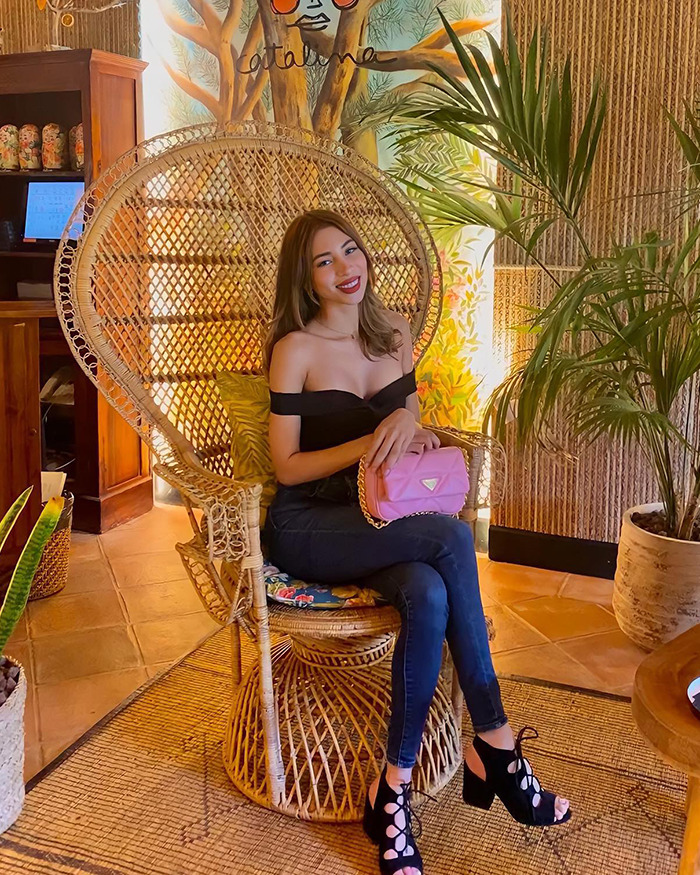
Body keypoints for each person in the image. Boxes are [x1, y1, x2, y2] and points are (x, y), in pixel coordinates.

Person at [263, 209, 571, 875]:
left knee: (428, 593)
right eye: (324, 261)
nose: (345, 268)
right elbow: (286, 466)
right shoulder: (296, 349)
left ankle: (392, 788)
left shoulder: (394, 333)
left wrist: (412, 429)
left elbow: (409, 426)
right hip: (309, 523)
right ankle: (495, 742)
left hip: (381, 515)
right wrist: (369, 441)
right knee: (453, 536)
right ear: (306, 279)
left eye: (351, 250)